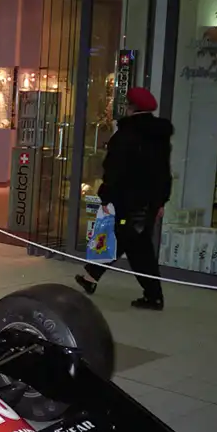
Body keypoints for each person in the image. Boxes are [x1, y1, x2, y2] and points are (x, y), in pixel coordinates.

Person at [74, 87, 173, 311]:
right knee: (125, 238)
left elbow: (114, 170)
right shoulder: (159, 136)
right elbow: (163, 173)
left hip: (126, 200)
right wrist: (161, 201)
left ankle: (154, 296)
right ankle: (91, 277)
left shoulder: (126, 135)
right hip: (148, 201)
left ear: (131, 107)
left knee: (135, 246)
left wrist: (105, 196)